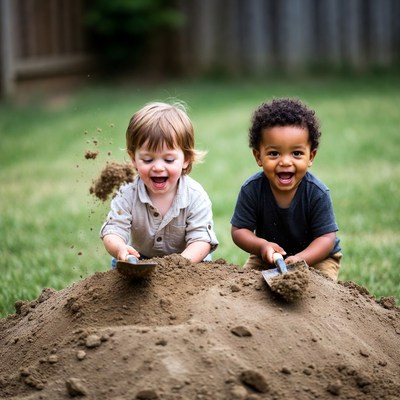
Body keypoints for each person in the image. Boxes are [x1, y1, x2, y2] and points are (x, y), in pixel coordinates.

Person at [230, 98, 341, 280]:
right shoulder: (252, 190)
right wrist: (262, 246)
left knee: (318, 292)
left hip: (316, 259)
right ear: (258, 156)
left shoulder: (316, 193)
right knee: (246, 286)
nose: (285, 162)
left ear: (311, 156)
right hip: (267, 257)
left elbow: (326, 239)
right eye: (274, 153)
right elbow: (239, 231)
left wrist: (300, 259)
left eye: (296, 153)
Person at [100, 101, 218, 264]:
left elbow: (201, 240)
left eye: (169, 160)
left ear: (186, 159)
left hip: (187, 261)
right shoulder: (127, 192)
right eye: (147, 159)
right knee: (119, 265)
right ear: (133, 159)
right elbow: (113, 231)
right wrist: (120, 248)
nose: (158, 167)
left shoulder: (195, 196)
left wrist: (177, 264)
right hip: (140, 260)